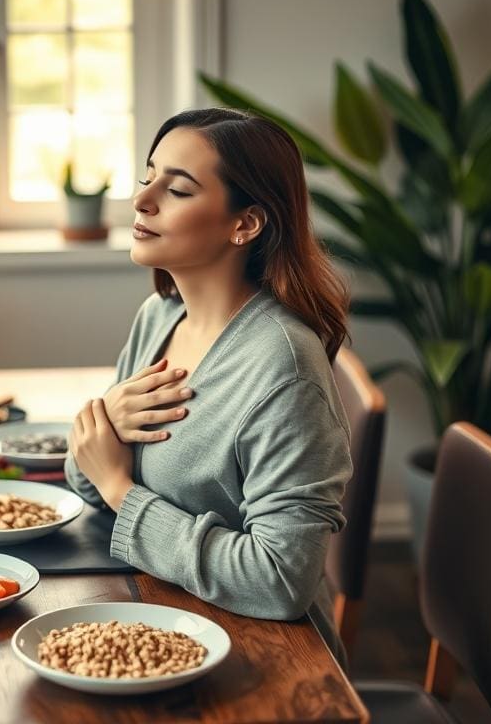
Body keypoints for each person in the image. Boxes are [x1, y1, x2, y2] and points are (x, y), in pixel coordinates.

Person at [65, 108, 354, 659]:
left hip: (270, 660)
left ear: (244, 223)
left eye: (177, 190)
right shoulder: (160, 315)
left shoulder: (282, 367)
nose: (142, 200)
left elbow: (280, 581)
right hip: (164, 623)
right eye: (147, 177)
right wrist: (106, 434)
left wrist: (122, 491)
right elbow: (90, 475)